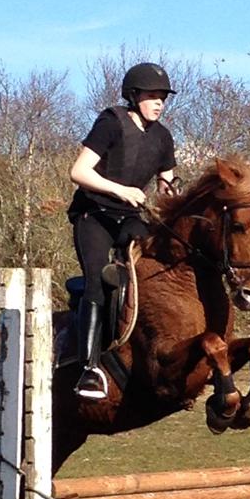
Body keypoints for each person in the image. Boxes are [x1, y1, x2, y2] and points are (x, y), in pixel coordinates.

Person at [68, 62, 177, 398]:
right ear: (133, 96)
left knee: (156, 271)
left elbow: (167, 184)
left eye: (162, 97)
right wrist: (120, 190)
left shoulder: (163, 137)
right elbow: (78, 171)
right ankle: (89, 369)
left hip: (129, 219)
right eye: (152, 96)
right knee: (99, 283)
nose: (159, 102)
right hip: (95, 215)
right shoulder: (111, 123)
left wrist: (172, 200)